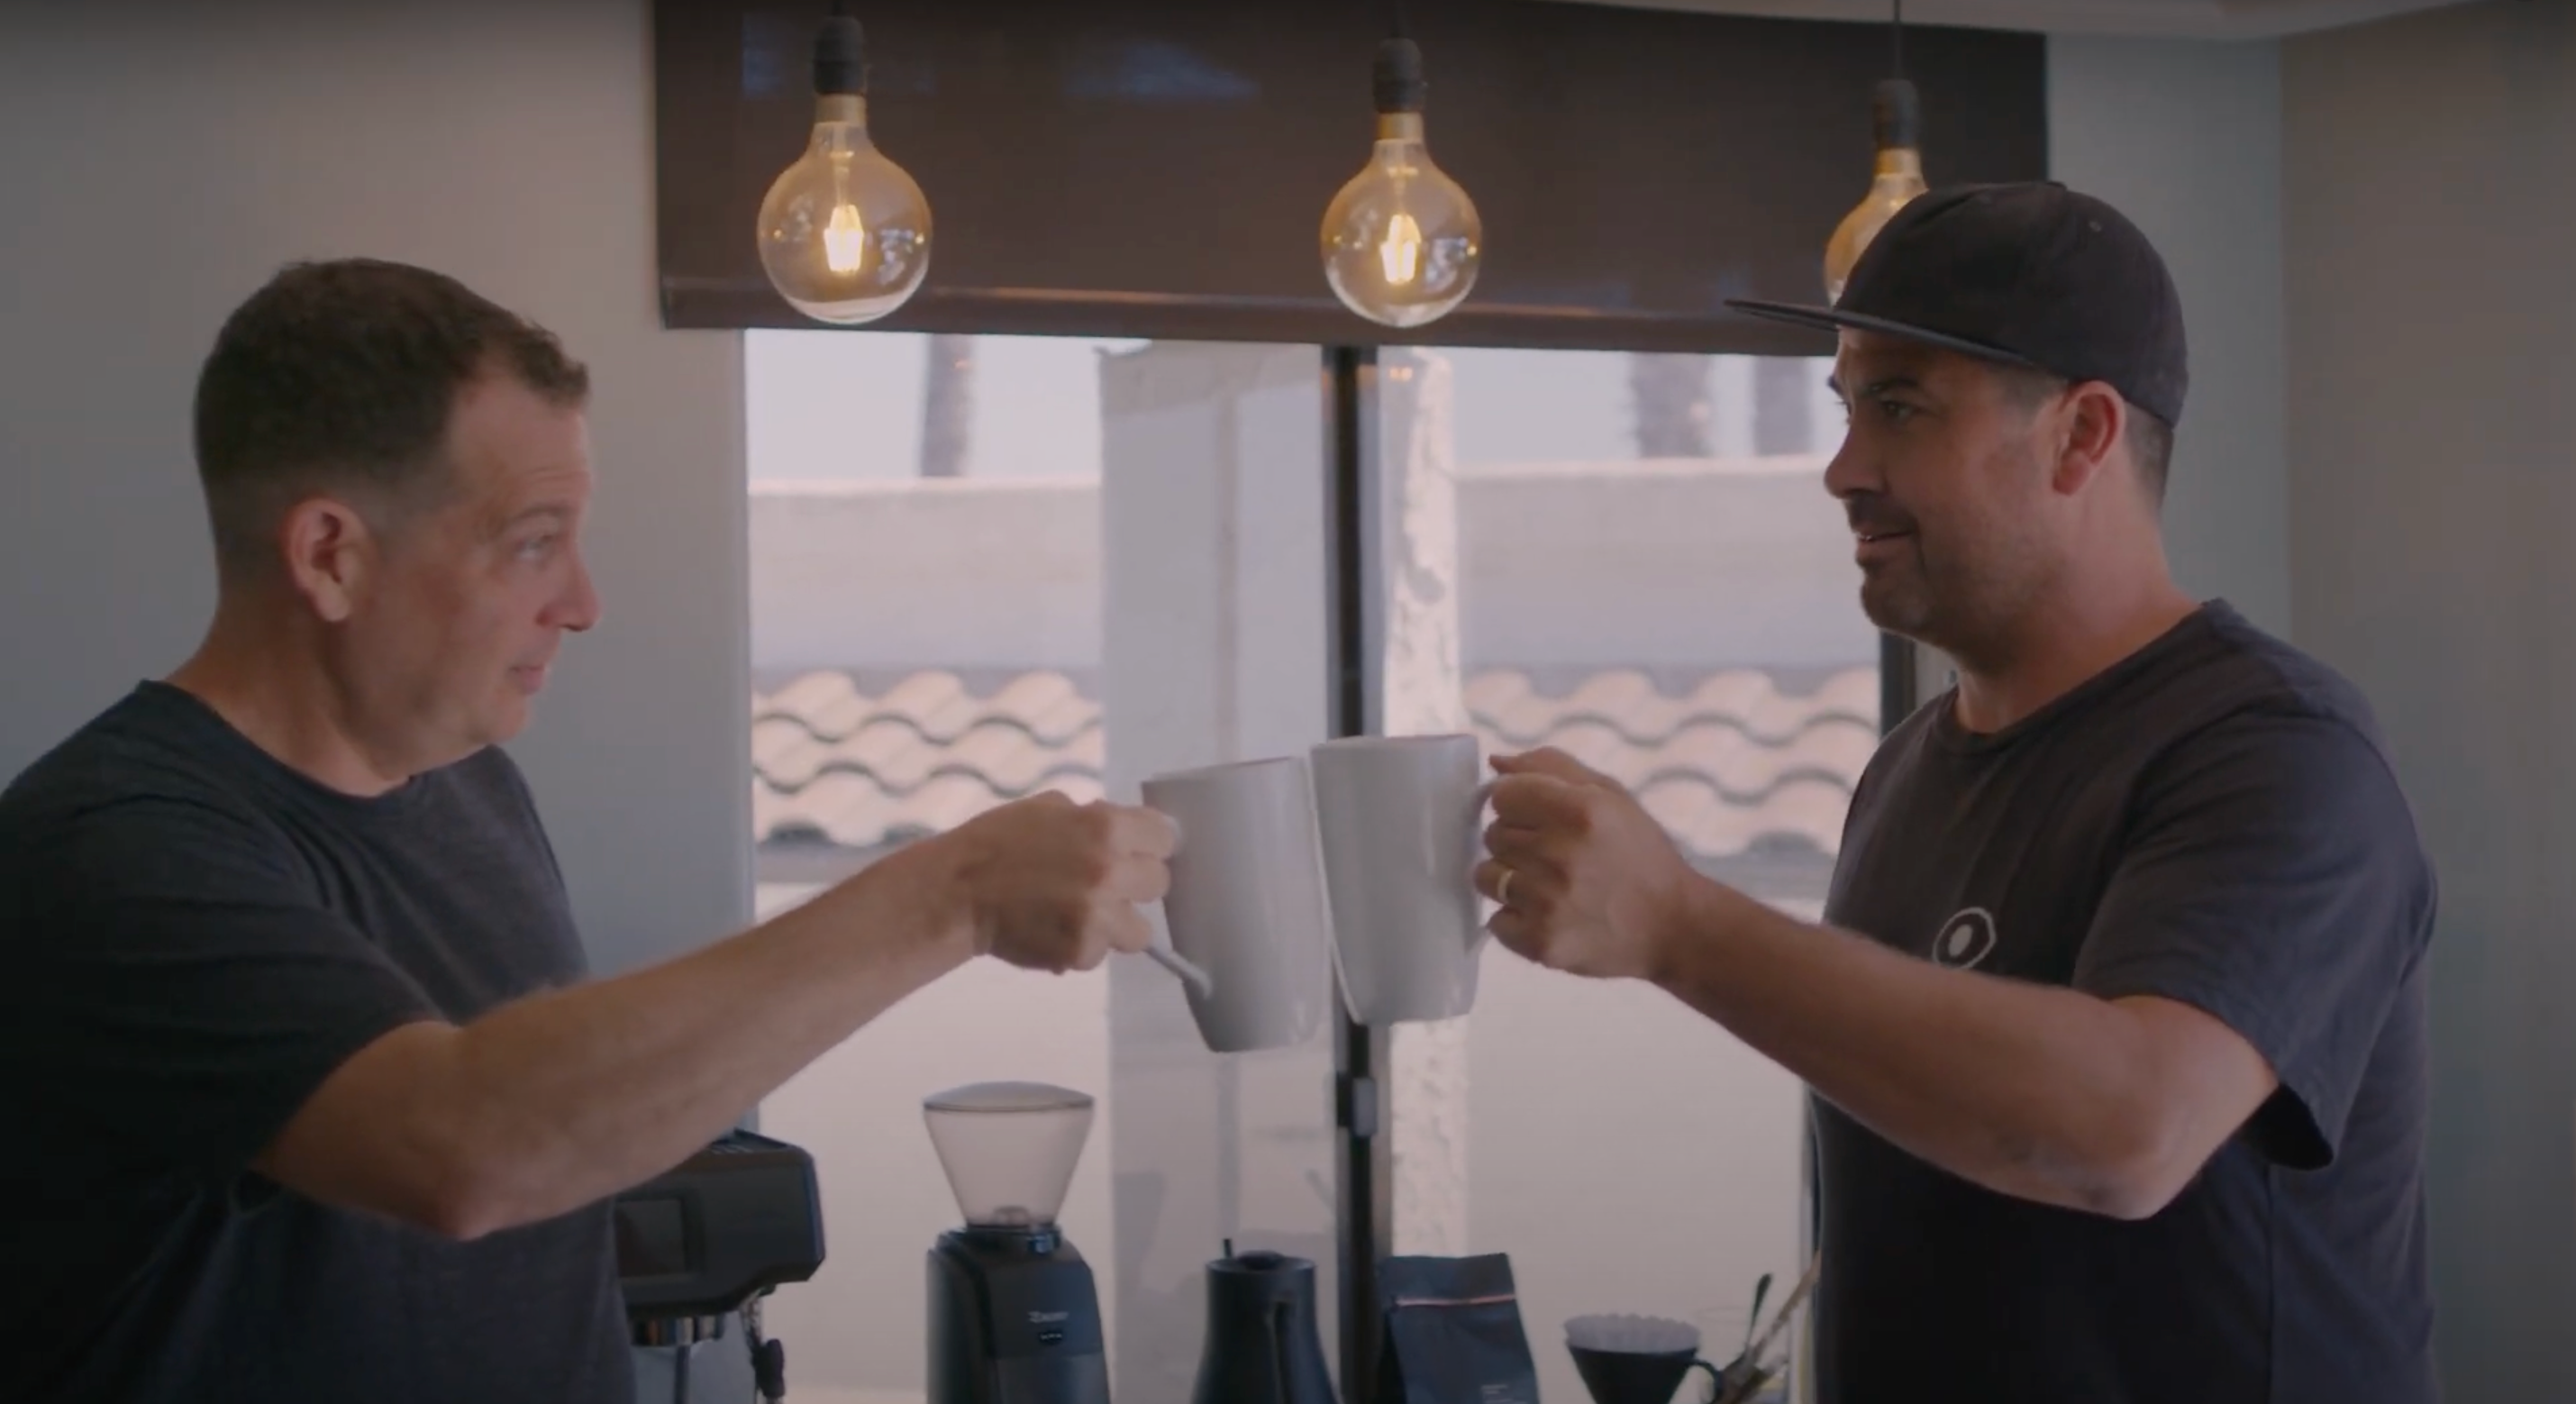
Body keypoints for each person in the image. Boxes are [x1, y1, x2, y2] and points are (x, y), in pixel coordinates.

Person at [0, 259, 1177, 1404]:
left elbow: (546, 1163)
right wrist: (952, 890)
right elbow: (462, 1145)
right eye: (531, 540)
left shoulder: (472, 788)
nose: (583, 601)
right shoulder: (107, 851)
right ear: (329, 554)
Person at [1475, 183, 2436, 1404]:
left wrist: (1678, 924)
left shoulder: (2276, 753)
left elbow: (2126, 1134)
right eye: (1844, 406)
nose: (1840, 468)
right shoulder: (1907, 767)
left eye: (1899, 407)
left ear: (2080, 435)